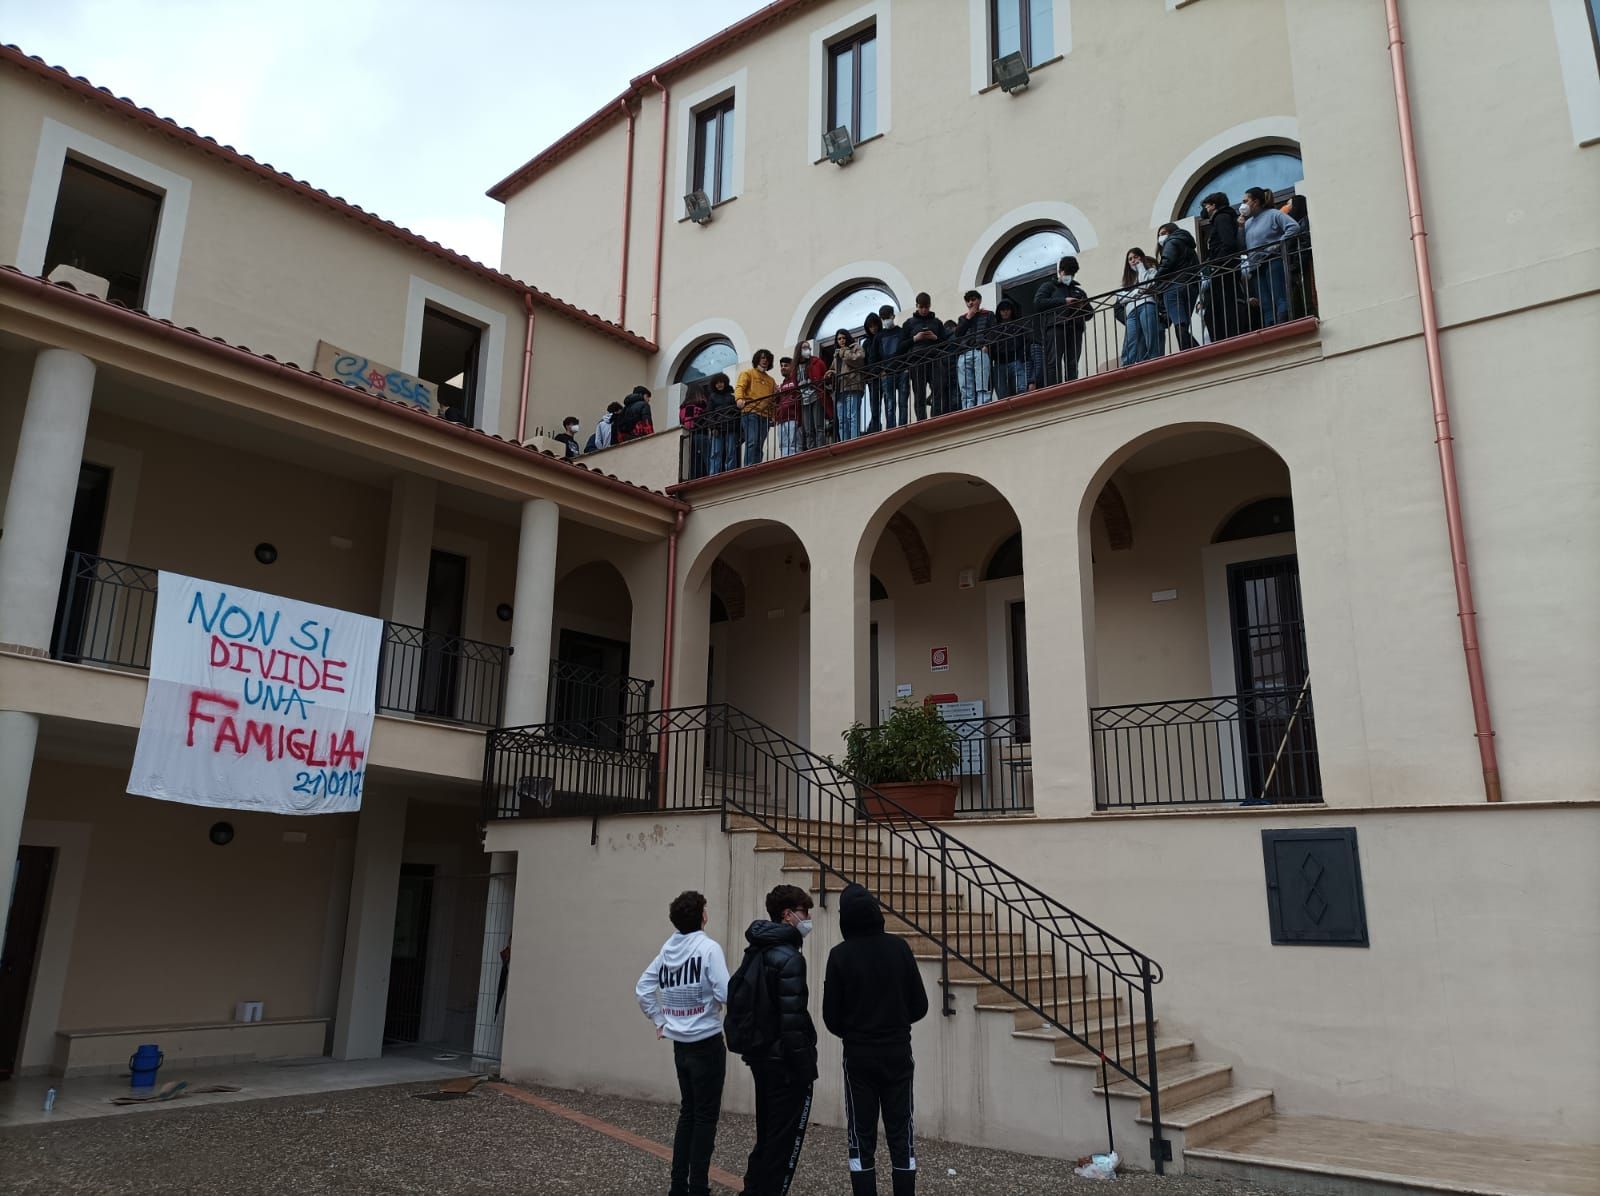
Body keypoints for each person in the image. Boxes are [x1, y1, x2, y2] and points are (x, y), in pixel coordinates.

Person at [823, 884, 929, 1196]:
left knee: (860, 1135)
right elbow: (919, 1005)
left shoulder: (839, 956)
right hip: (897, 1051)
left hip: (858, 1055)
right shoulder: (899, 948)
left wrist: (856, 1031)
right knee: (901, 1134)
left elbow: (831, 1017)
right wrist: (894, 1023)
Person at [637, 890, 731, 1196]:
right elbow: (726, 993)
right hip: (706, 1041)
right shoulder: (708, 948)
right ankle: (699, 1187)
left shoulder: (668, 949)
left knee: (688, 1113)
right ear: (702, 916)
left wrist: (661, 1020)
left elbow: (643, 988)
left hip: (680, 1045)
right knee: (705, 1118)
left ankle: (678, 1186)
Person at [737, 884, 818, 1196]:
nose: (808, 918)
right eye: (804, 912)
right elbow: (792, 1019)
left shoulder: (758, 946)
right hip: (784, 1063)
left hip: (762, 1056)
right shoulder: (789, 958)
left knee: (768, 1133)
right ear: (788, 915)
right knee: (782, 1143)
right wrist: (805, 1066)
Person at [1240, 186, 1301, 327]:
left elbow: (1294, 227)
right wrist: (1240, 227)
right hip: (1255, 266)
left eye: (1245, 200)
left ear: (1255, 202)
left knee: (1279, 296)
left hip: (1273, 260)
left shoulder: (1273, 214)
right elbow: (1243, 245)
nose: (1243, 204)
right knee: (1266, 303)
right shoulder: (1248, 222)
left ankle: (1283, 324)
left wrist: (1279, 244)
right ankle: (1270, 326)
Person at [1197, 192, 1247, 343]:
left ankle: (1226, 340)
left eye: (1206, 205)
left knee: (1222, 309)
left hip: (1224, 269)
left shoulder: (1221, 217)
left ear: (1213, 205)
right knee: (1214, 311)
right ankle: (1224, 339)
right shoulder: (1222, 218)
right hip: (1223, 268)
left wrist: (1216, 264)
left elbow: (1228, 243)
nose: (1204, 210)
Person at [1033, 256, 1091, 385]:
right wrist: (1063, 302)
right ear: (1060, 271)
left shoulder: (1078, 291)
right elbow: (1038, 303)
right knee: (1053, 362)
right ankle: (1054, 390)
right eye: (1067, 273)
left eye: (1072, 274)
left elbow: (1090, 314)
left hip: (1075, 329)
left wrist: (1082, 306)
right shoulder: (1049, 287)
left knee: (1072, 362)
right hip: (1055, 328)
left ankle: (1072, 388)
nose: (1069, 276)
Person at [1154, 222, 1202, 351]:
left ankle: (1186, 353)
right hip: (1191, 286)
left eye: (1163, 233)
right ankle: (1195, 350)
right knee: (1184, 324)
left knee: (1179, 323)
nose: (1161, 238)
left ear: (1171, 231)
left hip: (1173, 287)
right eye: (1159, 235)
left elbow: (1167, 263)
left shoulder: (1171, 242)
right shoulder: (1189, 245)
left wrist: (1156, 280)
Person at [902, 293, 946, 423]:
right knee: (919, 393)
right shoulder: (908, 324)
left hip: (934, 359)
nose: (924, 310)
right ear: (916, 306)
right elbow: (901, 346)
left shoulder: (937, 323)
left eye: (926, 307)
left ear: (930, 306)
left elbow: (945, 343)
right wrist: (915, 338)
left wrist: (935, 338)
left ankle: (936, 418)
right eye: (921, 307)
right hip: (916, 361)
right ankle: (921, 421)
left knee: (938, 390)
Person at [1117, 247, 1163, 367]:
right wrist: (1138, 291)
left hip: (1147, 305)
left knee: (1150, 334)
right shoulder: (1126, 280)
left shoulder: (1151, 271)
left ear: (1141, 257)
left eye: (1136, 257)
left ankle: (1154, 360)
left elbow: (1146, 284)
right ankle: (1126, 365)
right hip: (1131, 311)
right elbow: (1121, 298)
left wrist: (1141, 267)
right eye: (1130, 259)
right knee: (1130, 339)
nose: (1133, 260)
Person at [991, 297, 1042, 398]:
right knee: (1002, 393)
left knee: (1021, 389)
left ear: (1012, 311)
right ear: (999, 312)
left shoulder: (1019, 327)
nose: (1005, 312)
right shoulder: (994, 330)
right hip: (999, 363)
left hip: (1016, 360)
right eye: (1002, 310)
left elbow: (1029, 340)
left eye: (1007, 309)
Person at [953, 290, 997, 409]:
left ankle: (982, 407)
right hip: (964, 353)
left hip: (980, 351)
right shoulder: (962, 318)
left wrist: (987, 345)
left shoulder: (988, 314)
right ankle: (967, 410)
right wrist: (969, 317)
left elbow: (993, 332)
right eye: (968, 301)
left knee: (982, 384)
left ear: (979, 300)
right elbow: (958, 334)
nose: (971, 303)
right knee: (965, 387)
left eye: (973, 299)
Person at [735, 350, 778, 467]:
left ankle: (757, 466)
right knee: (752, 442)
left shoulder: (771, 380)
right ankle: (749, 467)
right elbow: (740, 387)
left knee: (759, 444)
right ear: (757, 359)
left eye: (767, 359)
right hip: (750, 412)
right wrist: (739, 399)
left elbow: (772, 400)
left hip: (765, 416)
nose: (765, 361)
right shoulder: (748, 373)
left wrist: (773, 415)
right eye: (762, 358)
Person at [873, 305, 912, 430]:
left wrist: (907, 367)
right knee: (889, 405)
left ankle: (903, 427)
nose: (886, 320)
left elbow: (908, 350)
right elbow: (874, 357)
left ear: (893, 316)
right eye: (883, 318)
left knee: (903, 403)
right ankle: (891, 429)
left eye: (887, 317)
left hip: (902, 372)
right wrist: (880, 371)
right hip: (887, 374)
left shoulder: (901, 332)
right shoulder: (879, 337)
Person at [830, 329, 867, 442]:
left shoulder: (856, 347)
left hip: (853, 386)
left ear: (848, 338)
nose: (841, 340)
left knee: (853, 416)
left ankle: (854, 440)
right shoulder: (836, 354)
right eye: (839, 339)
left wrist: (844, 352)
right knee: (842, 419)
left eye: (843, 338)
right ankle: (843, 442)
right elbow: (833, 369)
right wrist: (830, 373)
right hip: (840, 389)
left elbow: (859, 360)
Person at [794, 339, 829, 453]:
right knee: (808, 429)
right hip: (803, 400)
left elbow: (824, 376)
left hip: (816, 396)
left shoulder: (817, 362)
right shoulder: (795, 367)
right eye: (804, 348)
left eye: (808, 347)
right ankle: (811, 451)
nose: (807, 350)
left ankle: (820, 450)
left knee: (819, 426)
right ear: (799, 350)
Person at [860, 311, 885, 434]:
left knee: (889, 401)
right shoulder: (866, 343)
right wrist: (867, 375)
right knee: (874, 405)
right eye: (870, 326)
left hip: (885, 374)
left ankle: (887, 424)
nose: (873, 328)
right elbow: (864, 361)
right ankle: (875, 426)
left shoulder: (883, 337)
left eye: (875, 325)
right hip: (872, 378)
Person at [679, 385, 709, 478]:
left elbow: (684, 423)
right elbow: (689, 423)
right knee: (706, 457)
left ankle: (695, 477)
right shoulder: (699, 406)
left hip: (689, 437)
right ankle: (709, 475)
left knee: (694, 459)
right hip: (700, 434)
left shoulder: (683, 407)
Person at [774, 356, 801, 458]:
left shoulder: (796, 380)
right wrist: (776, 394)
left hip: (793, 417)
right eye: (781, 366)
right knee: (783, 445)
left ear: (792, 367)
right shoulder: (781, 385)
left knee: (794, 444)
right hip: (781, 419)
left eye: (786, 365)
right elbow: (776, 402)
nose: (783, 368)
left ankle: (796, 465)